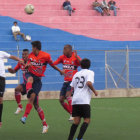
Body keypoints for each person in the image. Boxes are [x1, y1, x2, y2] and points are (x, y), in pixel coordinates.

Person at [20, 41, 64, 134]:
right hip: (30, 74)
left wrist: (60, 70)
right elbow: (27, 63)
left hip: (38, 81)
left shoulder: (46, 56)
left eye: (32, 47)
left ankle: (45, 124)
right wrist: (27, 64)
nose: (31, 49)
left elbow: (52, 65)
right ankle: (25, 116)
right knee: (30, 80)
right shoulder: (31, 55)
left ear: (36, 47)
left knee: (36, 105)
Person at [68, 58, 98, 140]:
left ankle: (70, 138)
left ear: (80, 65)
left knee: (76, 121)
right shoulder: (90, 72)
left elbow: (72, 87)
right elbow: (88, 83)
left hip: (75, 100)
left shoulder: (76, 74)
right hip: (84, 100)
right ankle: (79, 138)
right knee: (87, 120)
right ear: (89, 65)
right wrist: (95, 91)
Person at [53, 44, 81, 122]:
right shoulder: (62, 57)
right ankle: (73, 114)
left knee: (68, 95)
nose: (63, 51)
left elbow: (82, 64)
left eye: (64, 49)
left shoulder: (75, 57)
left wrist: (76, 57)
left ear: (69, 50)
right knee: (61, 100)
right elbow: (54, 63)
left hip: (73, 81)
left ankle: (73, 114)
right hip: (66, 81)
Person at [0, 51, 23, 128]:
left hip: (1, 79)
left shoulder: (1, 53)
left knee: (0, 99)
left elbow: (11, 56)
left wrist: (20, 60)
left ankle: (0, 120)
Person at [8, 49, 29, 115]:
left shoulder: (32, 62)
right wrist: (11, 70)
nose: (24, 55)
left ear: (29, 55)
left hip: (33, 84)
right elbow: (15, 70)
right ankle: (20, 107)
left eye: (25, 54)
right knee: (17, 89)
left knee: (35, 104)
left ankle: (44, 123)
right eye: (23, 54)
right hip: (25, 83)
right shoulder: (20, 62)